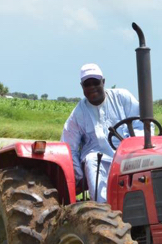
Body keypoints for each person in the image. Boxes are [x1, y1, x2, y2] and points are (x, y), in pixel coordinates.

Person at [61, 63, 142, 202]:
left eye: (95, 82)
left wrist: (135, 149)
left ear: (103, 82)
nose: (92, 87)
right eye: (87, 84)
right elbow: (69, 147)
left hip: (127, 156)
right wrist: (79, 176)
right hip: (98, 160)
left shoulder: (122, 98)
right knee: (92, 159)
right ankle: (102, 208)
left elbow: (142, 125)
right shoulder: (78, 113)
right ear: (82, 87)